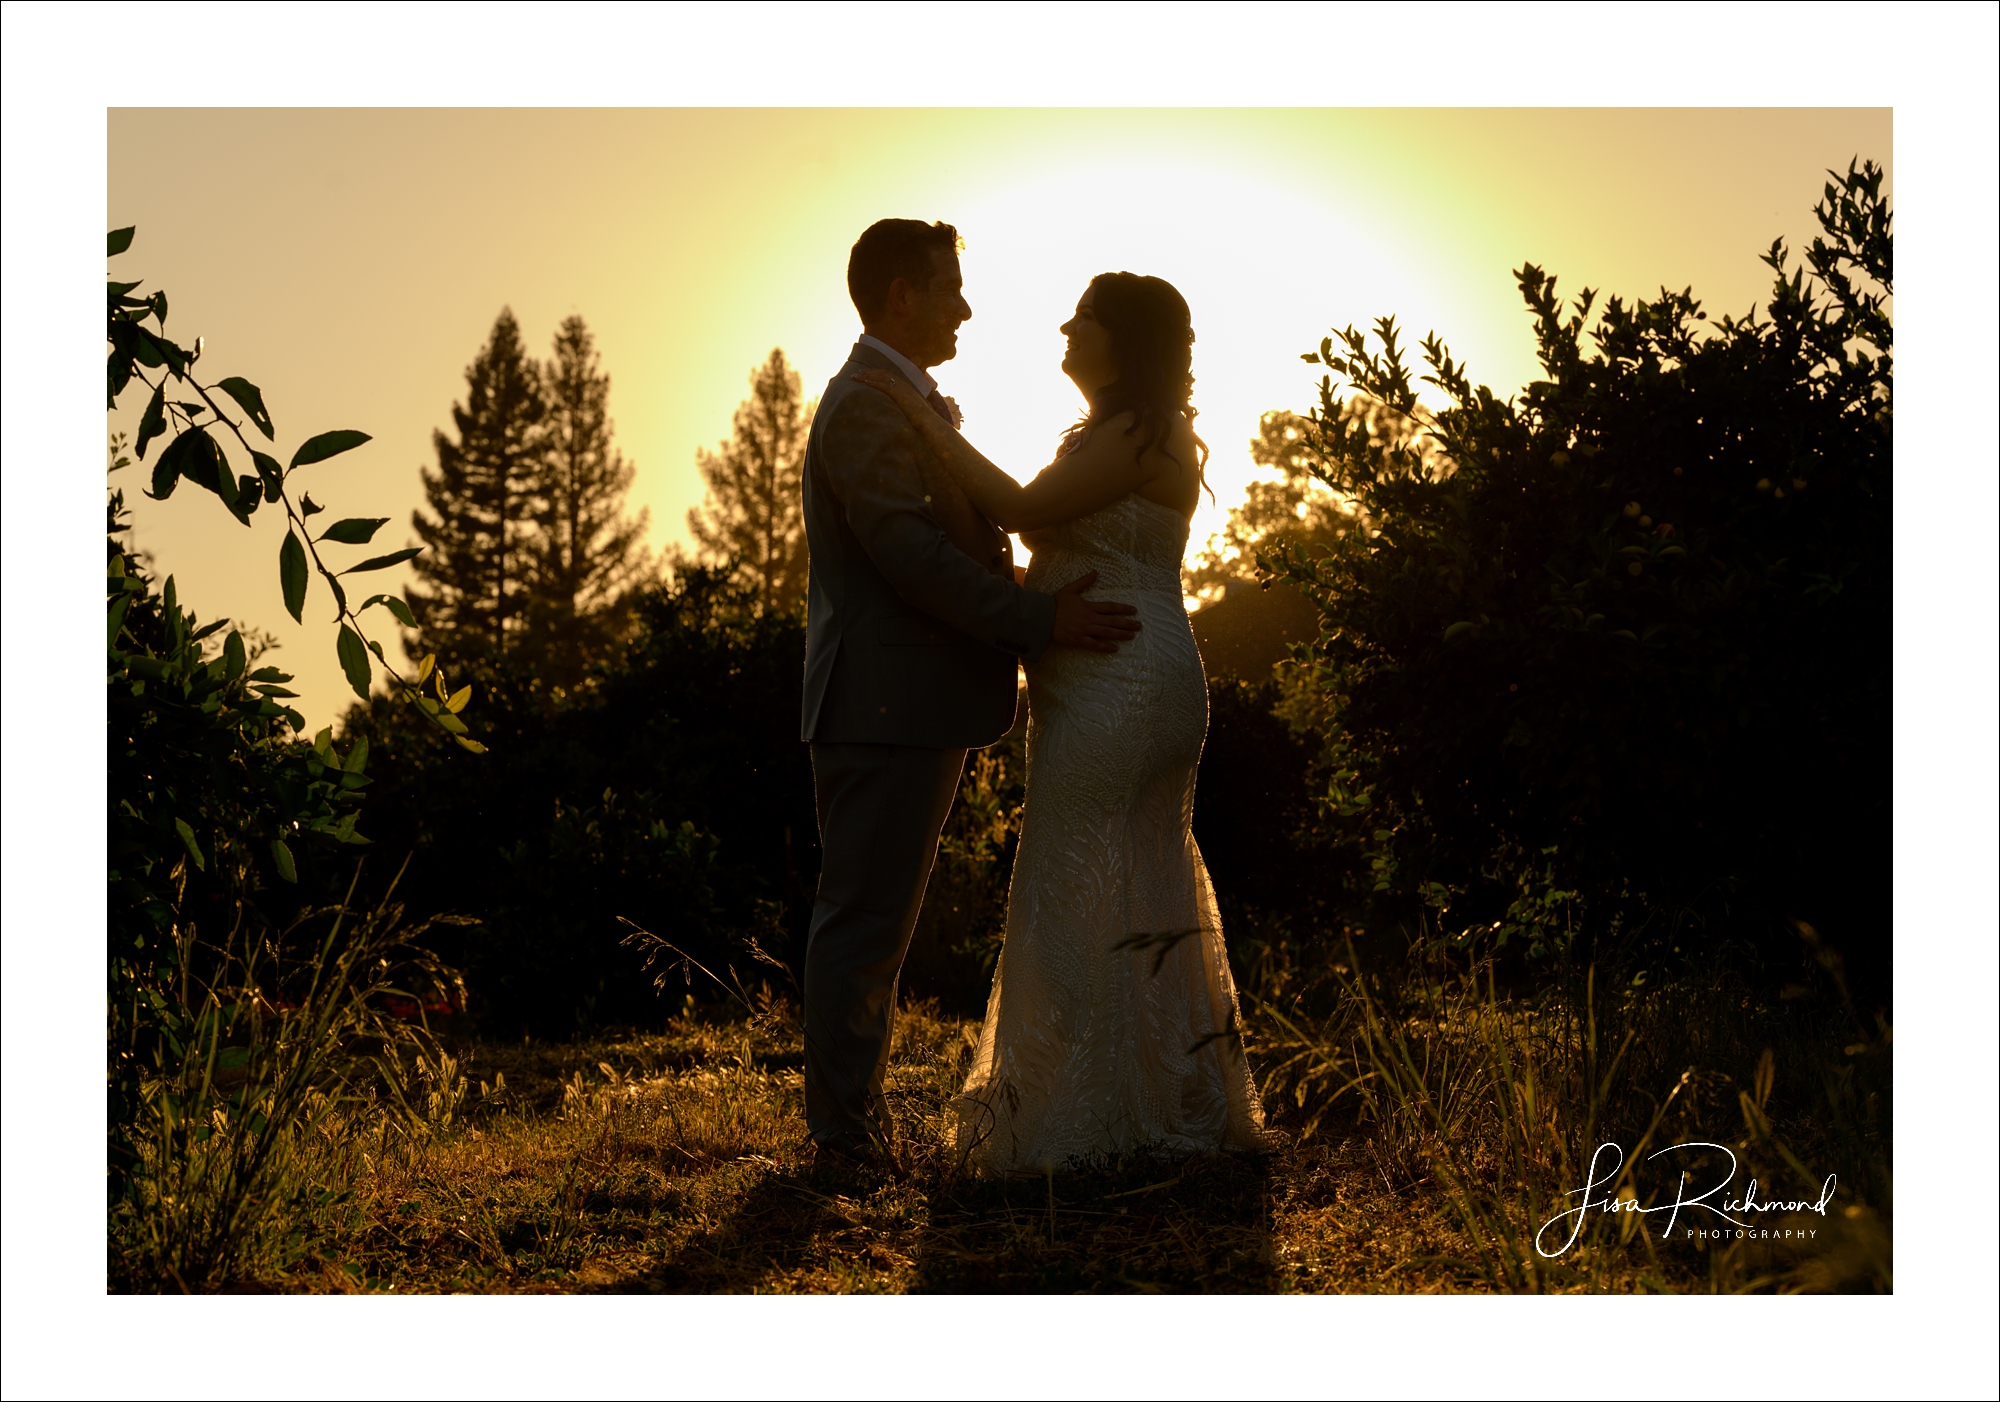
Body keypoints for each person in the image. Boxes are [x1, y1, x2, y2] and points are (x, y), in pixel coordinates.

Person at [850, 270, 1269, 1175]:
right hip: (1135, 680)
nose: (1066, 328)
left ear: (1120, 339)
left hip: (1121, 686)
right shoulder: (1134, 433)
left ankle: (1083, 1120)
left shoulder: (1135, 433)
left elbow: (1021, 512)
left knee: (1074, 880)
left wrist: (925, 419)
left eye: (1083, 318)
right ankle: (1157, 1098)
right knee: (1141, 877)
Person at [799, 219, 1143, 1172]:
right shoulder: (867, 405)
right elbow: (909, 557)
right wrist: (1036, 620)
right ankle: (840, 1138)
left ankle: (848, 1124)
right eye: (949, 287)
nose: (965, 305)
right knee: (864, 920)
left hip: (907, 703)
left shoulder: (901, 399)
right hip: (880, 704)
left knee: (878, 918)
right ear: (899, 295)